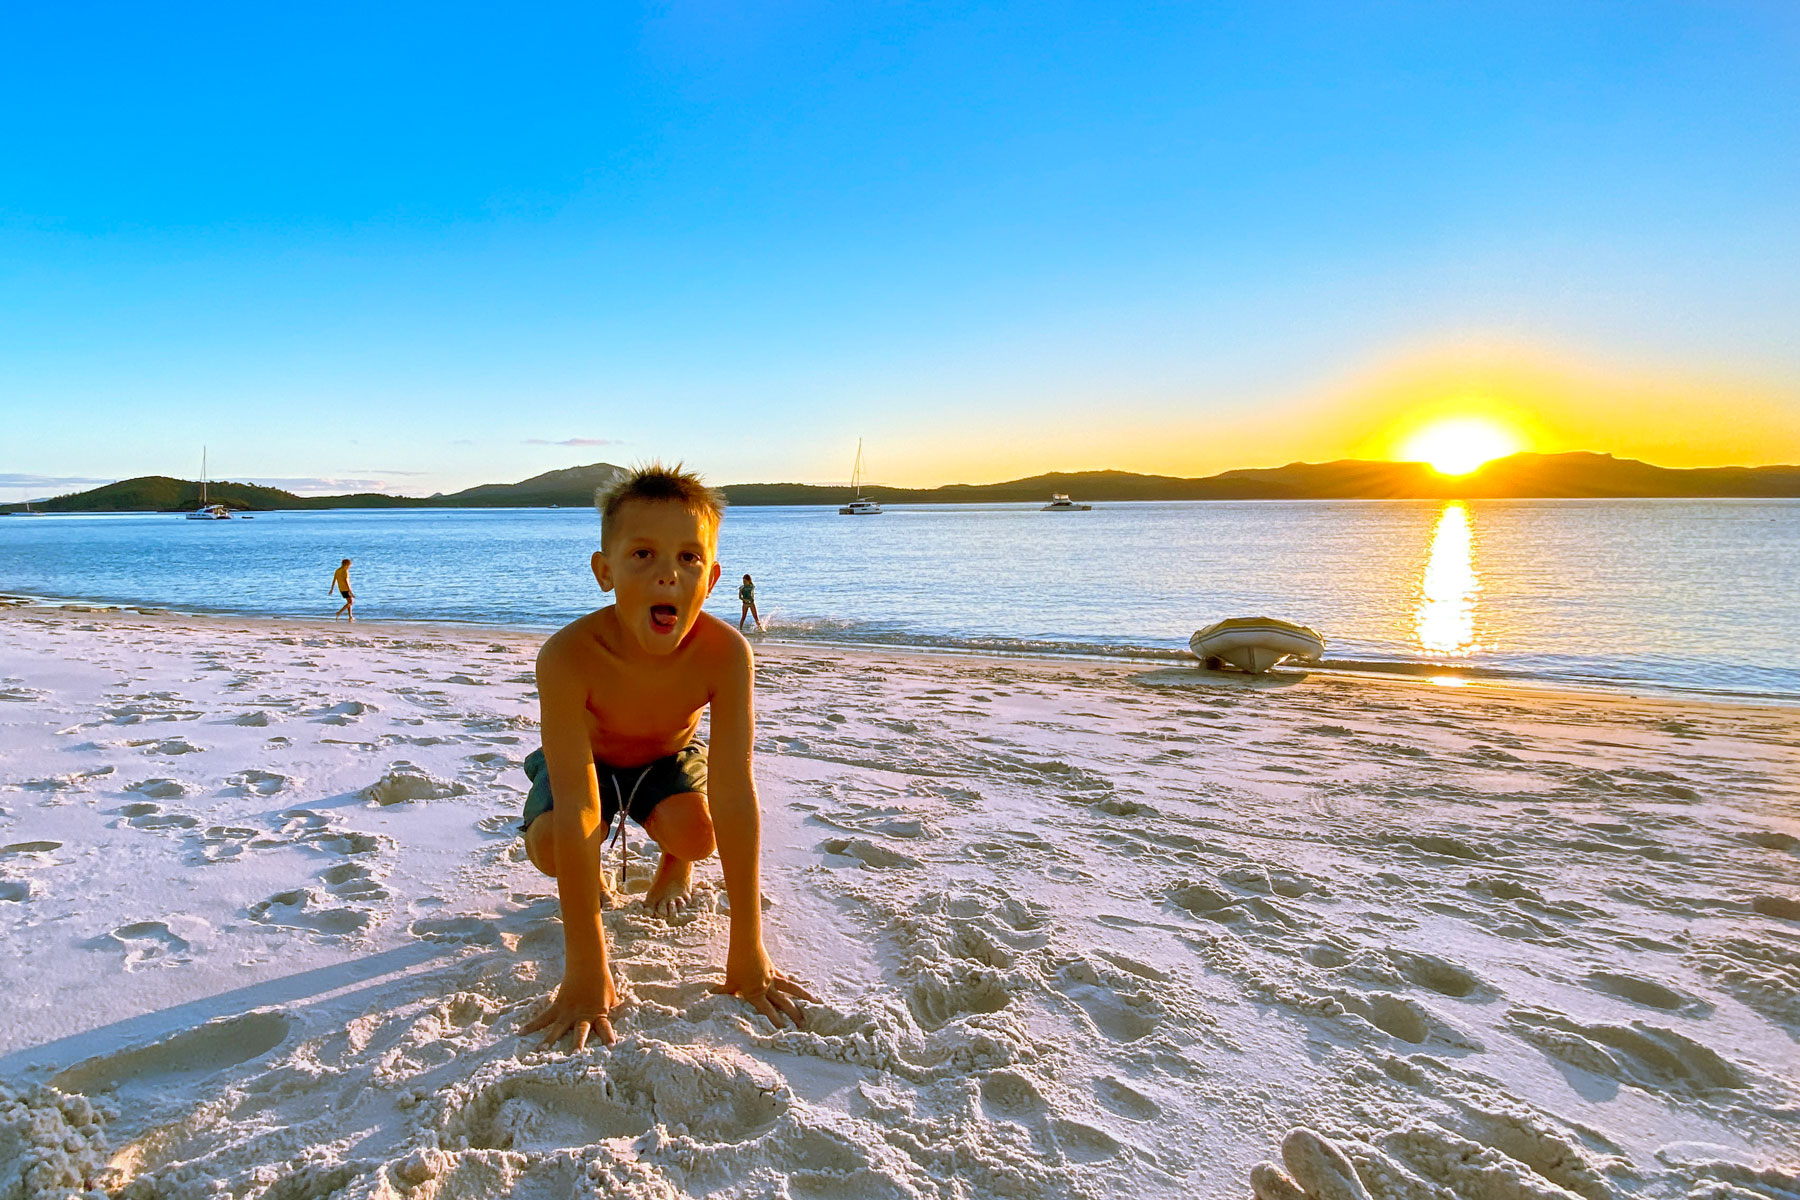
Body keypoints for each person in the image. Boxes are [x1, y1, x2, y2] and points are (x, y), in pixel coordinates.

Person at [518, 464, 816, 1051]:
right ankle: (597, 870)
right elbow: (579, 804)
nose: (668, 577)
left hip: (667, 759)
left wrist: (748, 949)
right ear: (605, 571)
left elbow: (733, 791)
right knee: (555, 845)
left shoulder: (726, 654)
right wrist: (585, 970)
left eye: (689, 559)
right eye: (643, 556)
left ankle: (672, 863)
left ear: (712, 578)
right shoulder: (568, 656)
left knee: (699, 834)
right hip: (590, 765)